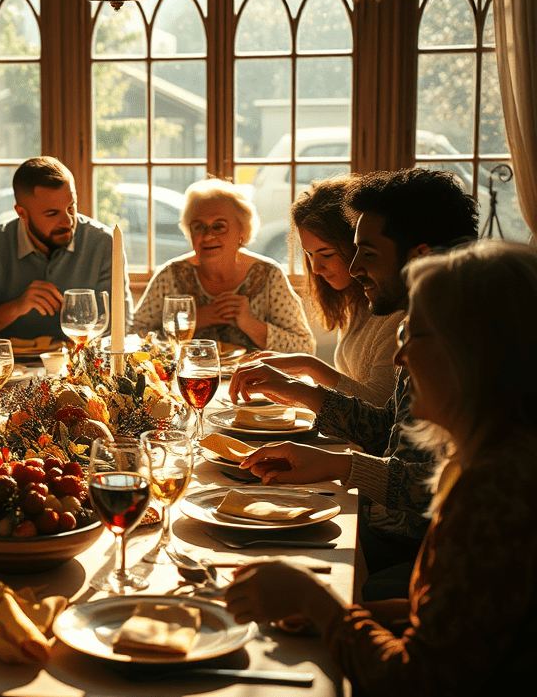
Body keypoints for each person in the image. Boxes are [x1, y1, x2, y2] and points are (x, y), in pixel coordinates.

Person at [225, 240, 537, 696]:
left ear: (474, 351)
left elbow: (413, 683)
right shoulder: (499, 457)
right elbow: (452, 616)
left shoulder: (496, 490)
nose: (400, 358)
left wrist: (317, 600)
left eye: (413, 336)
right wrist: (332, 609)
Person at [229, 168, 479, 596]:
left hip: (417, 547)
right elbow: (393, 428)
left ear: (417, 255)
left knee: (254, 557)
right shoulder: (421, 319)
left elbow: (447, 485)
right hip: (392, 526)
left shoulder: (457, 341)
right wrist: (302, 395)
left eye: (367, 252)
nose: (354, 266)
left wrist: (339, 466)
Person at [247, 175, 401, 406]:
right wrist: (297, 379)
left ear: (356, 244)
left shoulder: (395, 316)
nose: (316, 268)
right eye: (309, 255)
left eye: (326, 254)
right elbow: (350, 394)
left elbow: (379, 408)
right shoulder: (355, 302)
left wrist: (309, 366)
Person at [0, 156, 133, 340]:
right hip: (8, 366)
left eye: (71, 207)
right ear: (22, 213)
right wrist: (18, 306)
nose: (67, 221)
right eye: (52, 213)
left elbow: (118, 326)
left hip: (78, 365)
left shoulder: (103, 243)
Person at [133, 178, 314, 353]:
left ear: (242, 230)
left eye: (219, 226)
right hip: (185, 380)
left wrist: (250, 324)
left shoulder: (269, 276)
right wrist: (191, 321)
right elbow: (132, 336)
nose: (208, 236)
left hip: (254, 382)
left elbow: (305, 346)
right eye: (198, 226)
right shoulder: (170, 275)